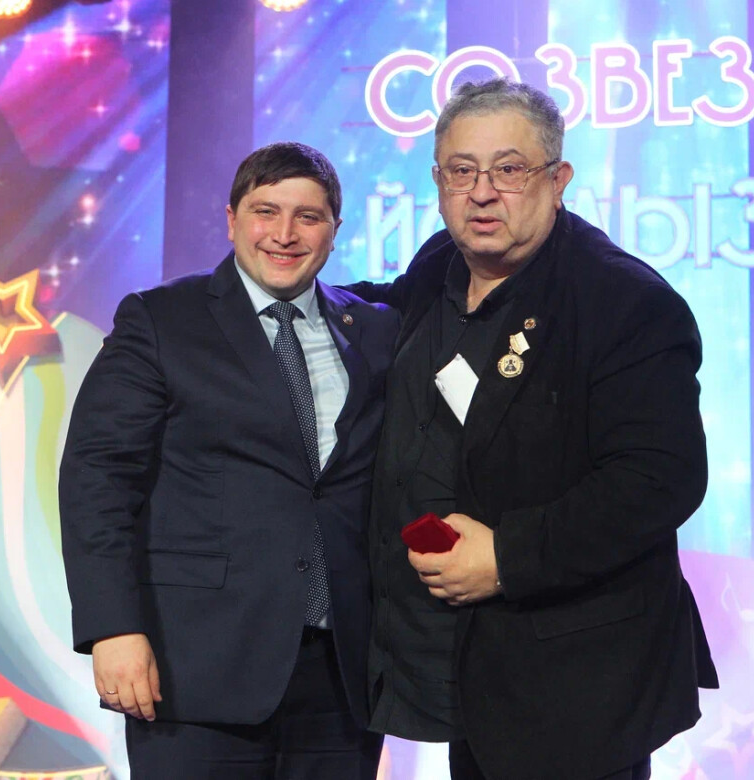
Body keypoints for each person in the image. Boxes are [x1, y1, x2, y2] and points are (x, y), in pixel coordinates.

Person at [348, 79, 718, 780]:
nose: (483, 193)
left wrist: (507, 556)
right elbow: (379, 315)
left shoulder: (625, 302)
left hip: (574, 685)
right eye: (462, 171)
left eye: (509, 169)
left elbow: (659, 480)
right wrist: (287, 289)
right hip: (460, 673)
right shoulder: (439, 263)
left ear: (558, 179)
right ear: (438, 181)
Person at [59, 142, 397, 779]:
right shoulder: (161, 319)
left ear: (335, 230)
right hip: (193, 668)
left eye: (308, 216)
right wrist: (111, 629)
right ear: (232, 219)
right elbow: (97, 480)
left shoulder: (374, 329)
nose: (285, 234)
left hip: (341, 678)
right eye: (266, 211)